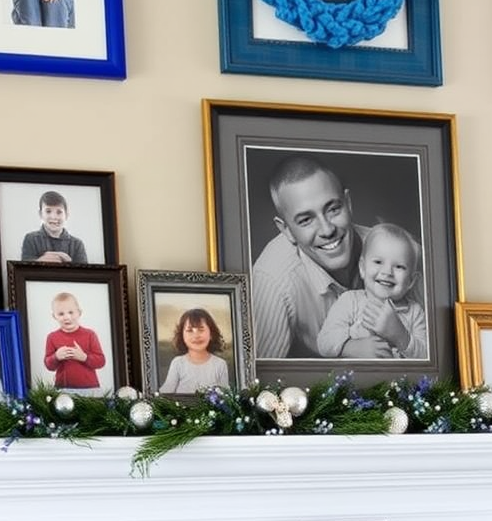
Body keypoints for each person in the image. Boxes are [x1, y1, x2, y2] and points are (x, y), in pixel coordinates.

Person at [250, 154, 367, 359]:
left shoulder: (397, 250)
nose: (327, 229)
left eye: (333, 209)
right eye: (306, 220)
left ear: (348, 203)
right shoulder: (272, 280)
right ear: (285, 229)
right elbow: (260, 385)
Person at [317, 222, 427, 360]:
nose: (387, 272)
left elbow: (426, 356)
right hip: (352, 380)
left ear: (411, 281)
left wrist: (401, 336)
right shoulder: (350, 301)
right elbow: (323, 342)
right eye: (378, 262)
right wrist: (351, 347)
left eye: (399, 266)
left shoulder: (415, 312)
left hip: (398, 381)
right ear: (363, 268)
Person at [43, 292, 106, 391]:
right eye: (61, 314)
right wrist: (56, 357)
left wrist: (84, 357)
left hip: (90, 388)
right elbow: (49, 366)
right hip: (63, 389)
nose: (67, 317)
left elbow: (101, 361)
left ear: (79, 313)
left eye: (71, 312)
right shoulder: (52, 337)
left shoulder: (90, 334)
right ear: (54, 316)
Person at [159, 308, 230, 394]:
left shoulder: (220, 365)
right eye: (190, 330)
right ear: (182, 335)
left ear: (211, 334)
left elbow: (225, 397)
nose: (196, 335)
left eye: (201, 330)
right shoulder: (178, 363)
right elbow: (166, 392)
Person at [19, 192, 89, 266]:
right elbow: (24, 270)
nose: (54, 217)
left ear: (67, 215)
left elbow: (84, 274)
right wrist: (42, 260)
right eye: (48, 211)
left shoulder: (77, 244)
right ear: (40, 214)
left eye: (59, 212)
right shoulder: (30, 239)